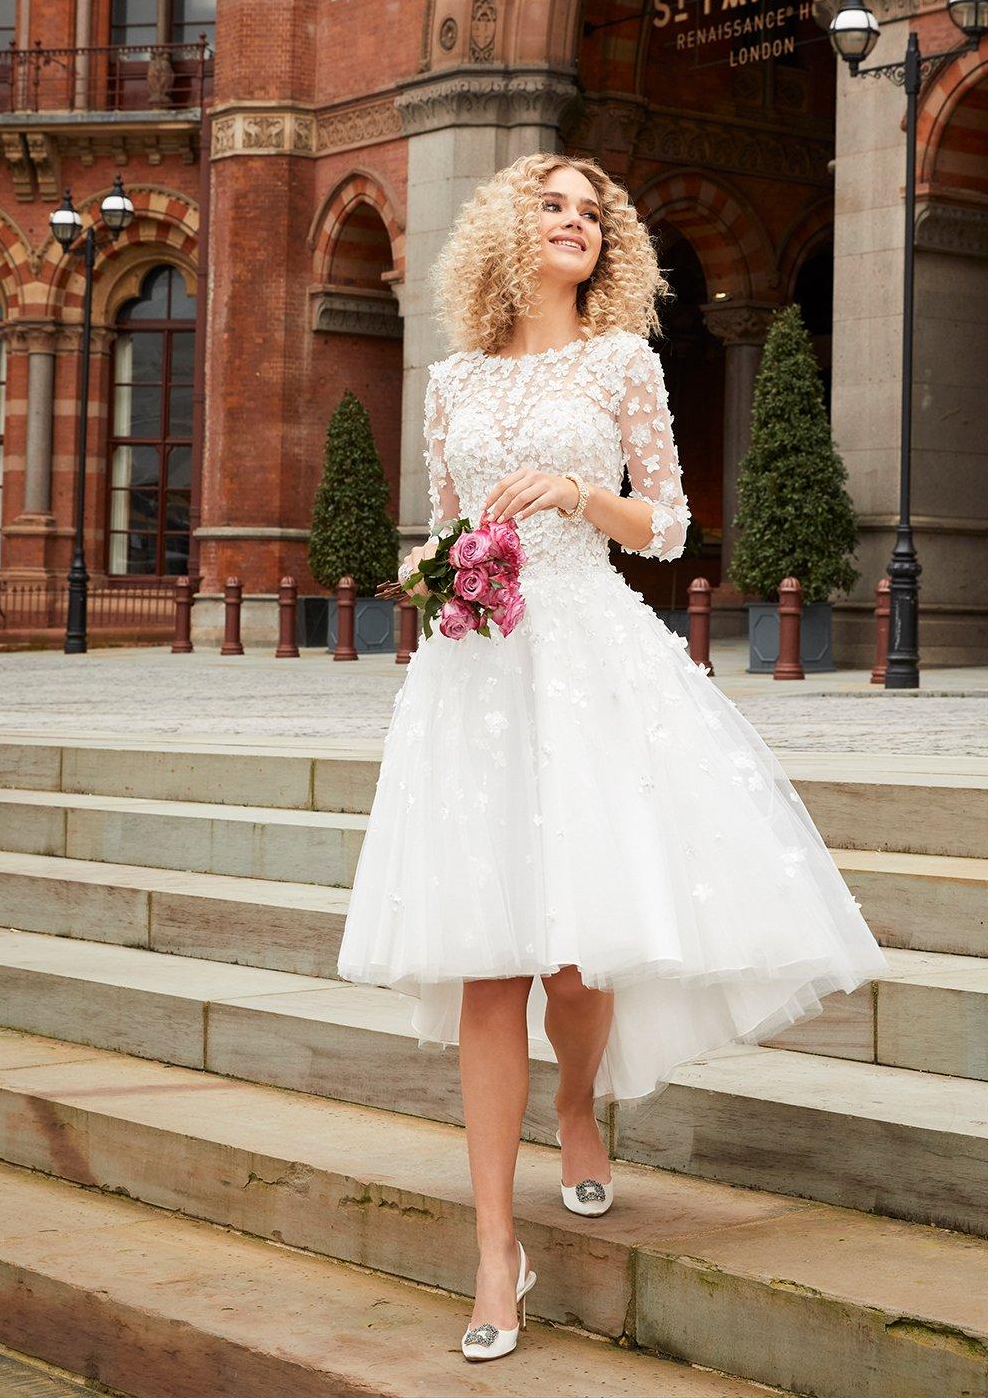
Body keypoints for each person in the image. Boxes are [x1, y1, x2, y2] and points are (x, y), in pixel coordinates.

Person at [336, 152, 889, 1361]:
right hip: (477, 671)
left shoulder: (624, 360)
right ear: (507, 229)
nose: (576, 223)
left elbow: (674, 522)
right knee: (489, 964)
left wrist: (582, 494)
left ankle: (577, 1103)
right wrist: (436, 577)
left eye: (593, 212)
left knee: (576, 964)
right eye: (553, 205)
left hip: (588, 656)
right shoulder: (456, 380)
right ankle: (495, 1253)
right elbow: (443, 522)